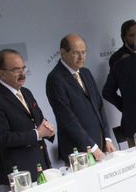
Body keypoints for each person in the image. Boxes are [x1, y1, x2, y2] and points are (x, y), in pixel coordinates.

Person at [0, 49, 55, 186]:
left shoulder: (26, 92)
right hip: (20, 173)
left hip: (42, 166)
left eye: (23, 68)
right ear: (2, 73)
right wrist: (37, 134)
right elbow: (4, 137)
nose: (22, 73)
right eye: (16, 70)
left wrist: (49, 131)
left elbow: (40, 121)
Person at [46, 34, 115, 165]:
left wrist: (107, 138)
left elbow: (99, 106)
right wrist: (91, 146)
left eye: (84, 52)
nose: (81, 57)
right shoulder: (56, 79)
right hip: (78, 151)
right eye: (76, 53)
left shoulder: (85, 73)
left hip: (99, 145)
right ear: (63, 53)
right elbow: (67, 119)